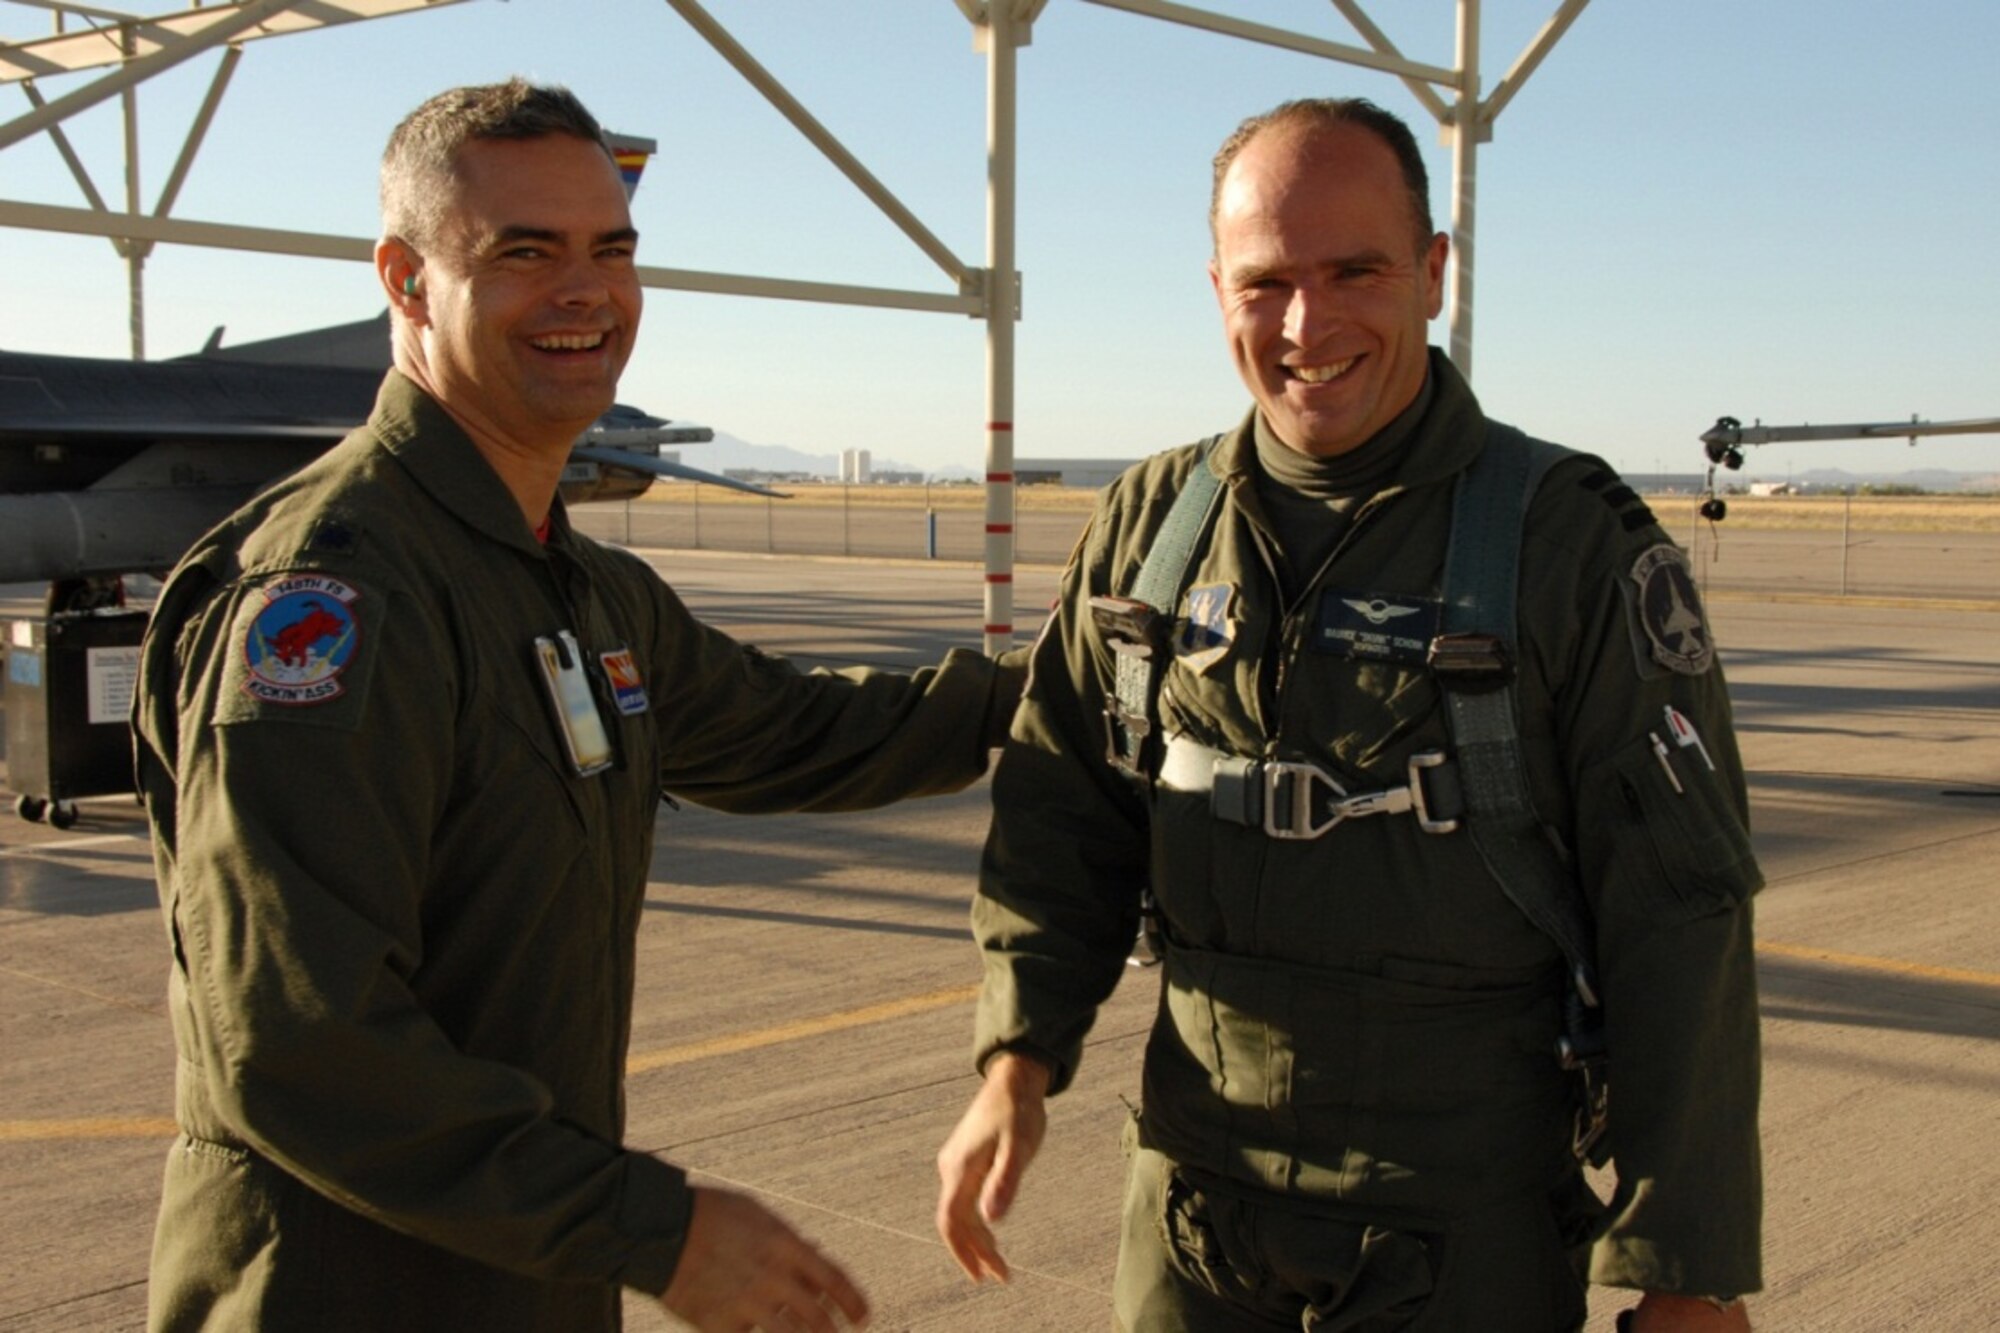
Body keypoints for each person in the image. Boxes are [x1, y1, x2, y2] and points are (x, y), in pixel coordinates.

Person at [133, 80, 1019, 1333]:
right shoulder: (338, 598)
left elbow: (798, 732)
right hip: (338, 1293)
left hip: (520, 1281)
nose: (585, 292)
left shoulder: (578, 590)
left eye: (611, 251)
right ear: (404, 278)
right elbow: (293, 1033)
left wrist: (1061, 688)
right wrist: (651, 1230)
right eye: (523, 253)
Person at [934, 98, 1762, 1332]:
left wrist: (1683, 1266)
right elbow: (1063, 813)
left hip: (1458, 1212)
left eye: (1354, 271)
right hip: (1193, 1193)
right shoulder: (1150, 528)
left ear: (1430, 274)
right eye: (1264, 283)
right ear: (1215, 287)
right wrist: (1018, 1056)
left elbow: (1679, 910)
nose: (1306, 325)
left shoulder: (1567, 543)